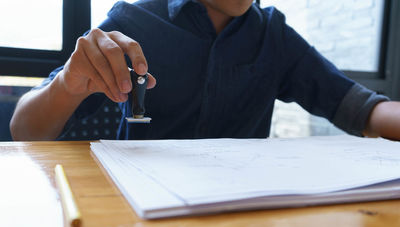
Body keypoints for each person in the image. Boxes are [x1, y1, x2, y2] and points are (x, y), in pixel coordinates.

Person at [9, 0, 400, 141]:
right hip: (138, 218)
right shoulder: (133, 20)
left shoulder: (275, 34)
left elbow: (361, 108)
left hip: (240, 213)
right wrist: (66, 85)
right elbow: (25, 129)